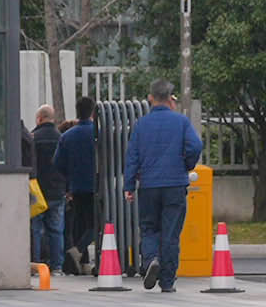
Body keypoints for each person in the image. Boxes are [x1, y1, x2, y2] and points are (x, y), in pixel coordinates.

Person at [123, 82, 202, 293]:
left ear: (150, 98)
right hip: (175, 185)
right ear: (170, 98)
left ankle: (151, 260)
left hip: (148, 185)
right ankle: (167, 281)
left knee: (149, 228)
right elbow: (195, 146)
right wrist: (187, 165)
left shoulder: (141, 124)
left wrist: (129, 185)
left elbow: (132, 157)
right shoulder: (181, 122)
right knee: (171, 233)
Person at [51, 97, 105, 278]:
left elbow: (57, 162)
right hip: (96, 186)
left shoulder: (67, 136)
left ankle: (83, 264)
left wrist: (70, 177)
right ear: (93, 113)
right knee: (96, 224)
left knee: (81, 224)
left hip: (76, 187)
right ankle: (77, 251)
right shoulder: (99, 134)